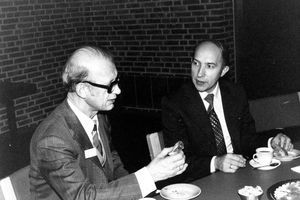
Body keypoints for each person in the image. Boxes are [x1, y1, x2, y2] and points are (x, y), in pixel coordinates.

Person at [29, 46, 188, 200]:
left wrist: (137, 193)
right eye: (110, 85)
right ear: (83, 89)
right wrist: (149, 175)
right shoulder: (52, 140)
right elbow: (83, 197)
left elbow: (111, 163)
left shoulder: (99, 116)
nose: (118, 90)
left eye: (117, 81)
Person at [161, 40, 293, 182]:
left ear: (223, 71)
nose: (200, 73)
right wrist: (216, 162)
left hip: (241, 176)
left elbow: (248, 140)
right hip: (203, 182)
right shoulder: (174, 103)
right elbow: (179, 161)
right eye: (196, 63)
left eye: (210, 66)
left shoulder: (235, 93)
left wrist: (271, 142)